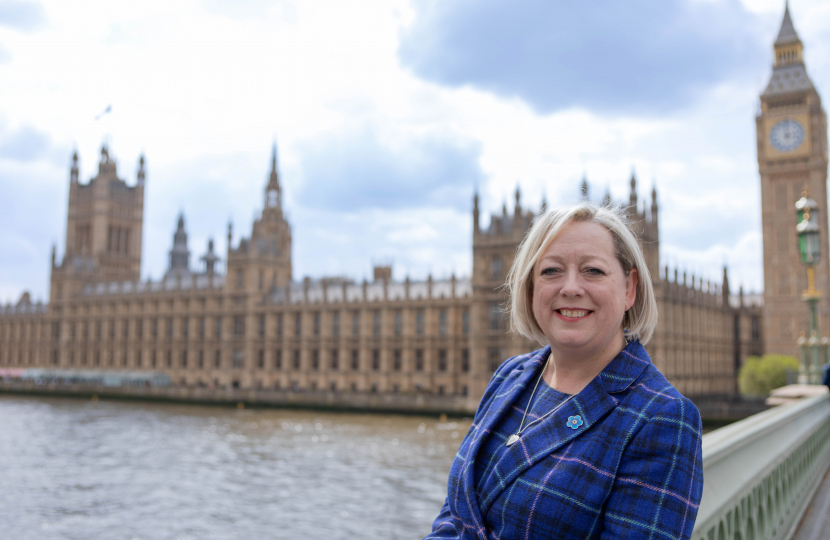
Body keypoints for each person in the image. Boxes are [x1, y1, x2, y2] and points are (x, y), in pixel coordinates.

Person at [425, 202, 703, 539]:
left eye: (593, 271)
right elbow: (454, 515)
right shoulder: (509, 376)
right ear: (530, 288)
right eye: (551, 271)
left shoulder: (663, 417)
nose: (570, 288)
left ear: (629, 288)